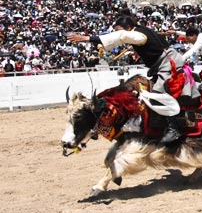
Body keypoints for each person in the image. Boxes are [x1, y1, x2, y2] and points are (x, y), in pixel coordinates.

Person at [68, 15, 187, 143]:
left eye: (119, 30)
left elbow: (122, 37)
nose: (117, 33)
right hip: (161, 64)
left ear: (129, 27)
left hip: (168, 64)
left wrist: (88, 38)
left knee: (158, 94)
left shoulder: (139, 35)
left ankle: (174, 128)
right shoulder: (142, 32)